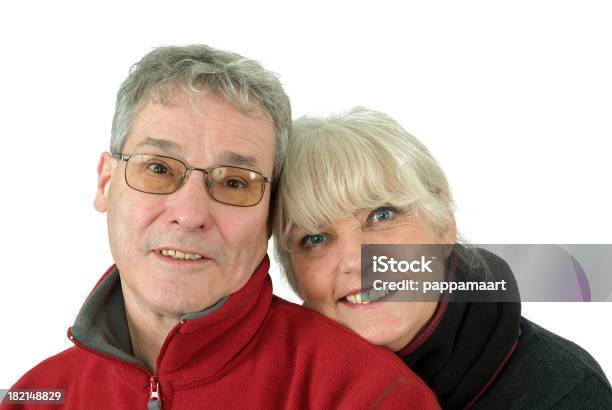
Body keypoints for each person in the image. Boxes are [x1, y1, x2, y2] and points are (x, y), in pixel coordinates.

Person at [1, 47, 440, 410]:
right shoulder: (32, 399)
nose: (190, 213)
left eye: (234, 182)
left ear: (269, 213)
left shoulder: (366, 396)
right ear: (106, 182)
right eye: (158, 168)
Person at [273, 106, 612, 409]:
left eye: (382, 215)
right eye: (314, 238)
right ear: (296, 276)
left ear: (444, 224)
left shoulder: (565, 393)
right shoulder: (284, 387)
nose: (354, 259)